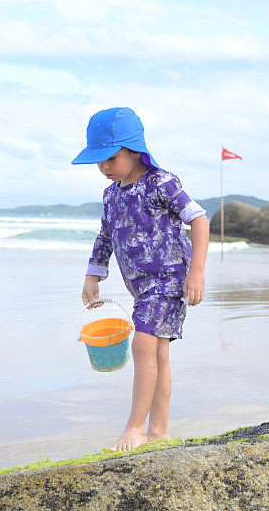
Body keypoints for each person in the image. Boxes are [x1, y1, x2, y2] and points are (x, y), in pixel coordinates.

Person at [73, 107, 209, 452]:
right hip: (141, 287)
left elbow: (199, 219)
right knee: (158, 353)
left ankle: (134, 428)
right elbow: (105, 236)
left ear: (134, 150)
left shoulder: (160, 182)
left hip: (169, 278)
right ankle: (159, 431)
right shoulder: (111, 195)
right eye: (98, 161)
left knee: (143, 345)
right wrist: (93, 274)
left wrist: (197, 271)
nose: (104, 167)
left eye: (110, 158)